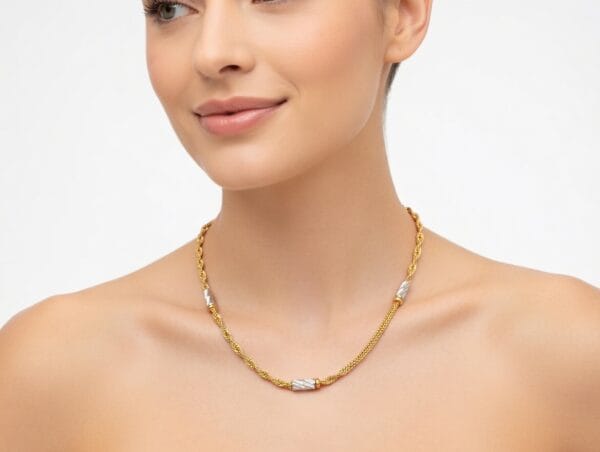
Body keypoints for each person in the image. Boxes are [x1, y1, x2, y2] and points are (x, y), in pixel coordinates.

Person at [1, 0, 599, 450]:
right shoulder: (49, 372)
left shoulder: (571, 355)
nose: (211, 52)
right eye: (171, 9)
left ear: (403, 15)